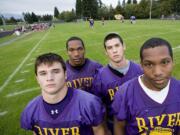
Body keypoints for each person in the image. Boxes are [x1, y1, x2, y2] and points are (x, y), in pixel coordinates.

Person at [21, 53, 106, 135]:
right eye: (43, 73)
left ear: (65, 74)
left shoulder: (89, 103)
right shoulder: (31, 109)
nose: (49, 78)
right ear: (37, 78)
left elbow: (99, 131)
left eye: (56, 71)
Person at [112, 37, 180, 135]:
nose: (158, 72)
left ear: (172, 62)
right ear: (141, 65)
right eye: (149, 64)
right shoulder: (125, 93)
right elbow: (119, 128)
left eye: (165, 62)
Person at [92, 33, 143, 134]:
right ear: (106, 52)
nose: (114, 50)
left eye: (117, 45)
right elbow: (99, 108)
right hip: (113, 124)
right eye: (110, 48)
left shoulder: (139, 71)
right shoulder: (100, 76)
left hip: (138, 124)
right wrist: (105, 129)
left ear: (123, 46)